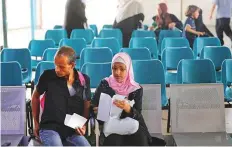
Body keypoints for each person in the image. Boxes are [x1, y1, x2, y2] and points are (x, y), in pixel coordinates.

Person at [31, 46, 91, 146]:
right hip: (50, 127)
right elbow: (35, 97)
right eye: (56, 65)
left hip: (72, 130)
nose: (57, 70)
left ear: (72, 65)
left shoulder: (83, 80)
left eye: (61, 67)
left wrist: (82, 125)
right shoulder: (48, 76)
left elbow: (86, 104)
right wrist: (36, 123)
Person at [91, 52, 151, 146]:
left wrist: (128, 109)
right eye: (114, 68)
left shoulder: (136, 88)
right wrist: (98, 111)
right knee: (113, 141)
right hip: (112, 126)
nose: (117, 72)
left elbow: (138, 114)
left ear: (128, 69)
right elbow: (92, 105)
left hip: (130, 124)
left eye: (122, 69)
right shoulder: (105, 84)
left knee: (140, 138)